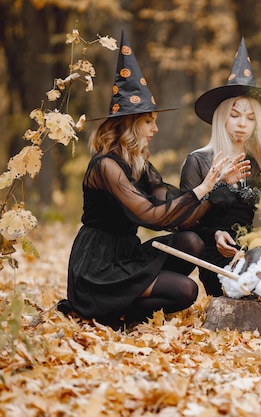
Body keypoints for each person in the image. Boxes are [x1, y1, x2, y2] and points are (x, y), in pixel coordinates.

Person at [57, 31, 250, 327]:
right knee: (187, 290)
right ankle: (106, 314)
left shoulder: (141, 164)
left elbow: (175, 214)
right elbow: (151, 216)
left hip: (127, 253)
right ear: (129, 124)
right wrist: (205, 187)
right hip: (98, 266)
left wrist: (217, 187)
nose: (155, 129)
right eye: (149, 121)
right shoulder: (105, 166)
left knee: (191, 241)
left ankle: (120, 313)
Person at [180, 38, 261, 296]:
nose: (242, 124)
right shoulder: (198, 161)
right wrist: (215, 233)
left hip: (253, 253)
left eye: (250, 118)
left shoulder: (259, 164)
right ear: (222, 116)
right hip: (212, 256)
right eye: (235, 115)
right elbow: (183, 222)